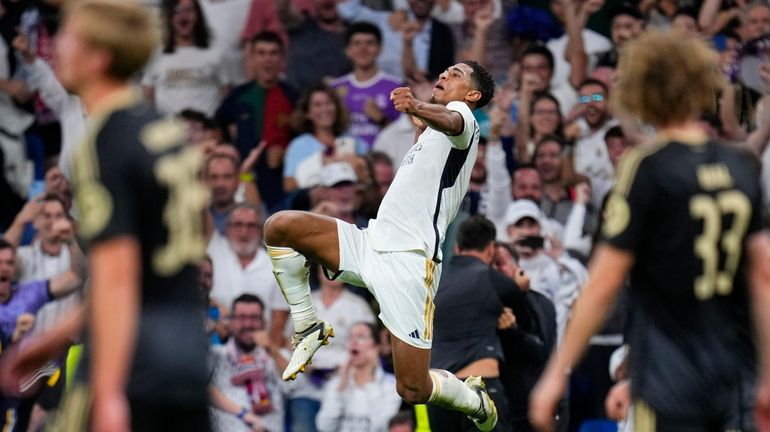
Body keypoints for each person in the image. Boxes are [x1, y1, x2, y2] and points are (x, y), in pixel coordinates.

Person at [530, 31, 770, 431]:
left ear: (641, 92)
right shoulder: (742, 165)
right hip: (736, 367)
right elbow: (763, 274)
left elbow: (605, 281)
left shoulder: (647, 167)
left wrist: (557, 371)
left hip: (669, 371)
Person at [264, 60, 498, 430]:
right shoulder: (430, 136)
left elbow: (453, 121)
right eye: (444, 71)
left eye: (455, 74)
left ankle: (474, 400)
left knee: (412, 388)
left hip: (410, 264)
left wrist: (417, 106)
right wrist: (419, 122)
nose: (443, 75)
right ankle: (307, 325)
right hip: (370, 242)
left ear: (472, 95)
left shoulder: (464, 118)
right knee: (280, 227)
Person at [18, 1, 211, 430]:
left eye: (67, 36)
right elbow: (149, 274)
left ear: (98, 56)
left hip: (130, 357)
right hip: (185, 352)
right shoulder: (164, 128)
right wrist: (48, 341)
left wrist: (107, 393)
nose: (56, 46)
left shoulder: (104, 139)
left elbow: (117, 277)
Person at [429, 215, 532, 431]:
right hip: (480, 389)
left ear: (457, 248)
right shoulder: (496, 281)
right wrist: (519, 288)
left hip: (439, 391)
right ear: (491, 248)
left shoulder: (433, 280)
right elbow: (527, 323)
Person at [209, 294, 286, 432]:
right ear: (230, 322)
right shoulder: (216, 355)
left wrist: (272, 350)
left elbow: (297, 386)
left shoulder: (274, 357)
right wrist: (211, 326)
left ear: (264, 323)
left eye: (254, 318)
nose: (247, 324)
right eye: (241, 318)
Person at [142, 0, 230, 117]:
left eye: (189, 10)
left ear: (198, 16)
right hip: (168, 130)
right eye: (177, 10)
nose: (183, 15)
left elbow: (225, 91)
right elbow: (148, 91)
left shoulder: (216, 53)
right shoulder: (157, 55)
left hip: (205, 129)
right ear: (170, 18)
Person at [316, 322, 402, 432]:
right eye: (350, 337)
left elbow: (381, 426)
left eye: (361, 337)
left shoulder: (391, 385)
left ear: (376, 347)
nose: (353, 342)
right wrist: (341, 388)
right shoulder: (336, 383)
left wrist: (371, 381)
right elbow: (324, 427)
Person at [330, 22, 401, 150]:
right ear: (347, 50)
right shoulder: (335, 89)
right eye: (356, 43)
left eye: (369, 43)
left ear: (379, 49)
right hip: (346, 159)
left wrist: (381, 119)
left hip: (384, 159)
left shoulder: (396, 87)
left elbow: (405, 133)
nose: (363, 49)